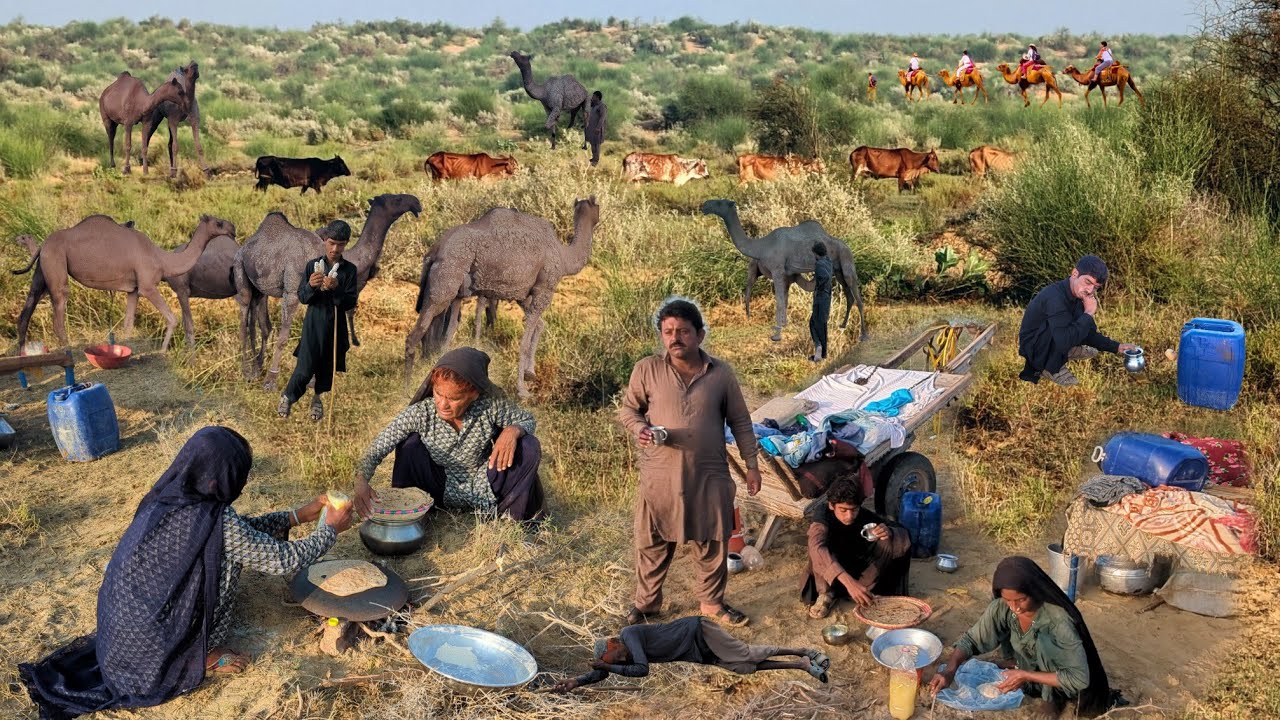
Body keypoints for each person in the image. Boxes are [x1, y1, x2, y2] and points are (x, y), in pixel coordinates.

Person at [18, 426, 353, 718]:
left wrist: (297, 516)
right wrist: (331, 530)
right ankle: (201, 658)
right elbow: (282, 560)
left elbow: (240, 535)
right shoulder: (217, 521)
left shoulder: (166, 498)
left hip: (122, 640)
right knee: (224, 566)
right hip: (155, 655)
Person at [618, 297, 761, 628]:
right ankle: (646, 604)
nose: (674, 338)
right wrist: (640, 428)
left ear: (700, 335)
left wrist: (751, 464)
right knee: (653, 541)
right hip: (660, 474)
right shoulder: (647, 369)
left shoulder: (720, 374)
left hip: (708, 472)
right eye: (668, 331)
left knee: (712, 539)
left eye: (683, 331)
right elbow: (629, 409)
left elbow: (740, 421)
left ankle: (712, 604)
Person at [352, 347, 545, 523]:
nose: (442, 404)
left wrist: (512, 431)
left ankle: (510, 518)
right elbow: (380, 445)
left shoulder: (489, 407)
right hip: (438, 487)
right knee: (409, 444)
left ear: (474, 394)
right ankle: (413, 513)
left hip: (484, 482)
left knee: (528, 445)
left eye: (453, 398)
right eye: (438, 393)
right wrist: (361, 480)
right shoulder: (421, 413)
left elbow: (527, 419)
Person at [928, 557, 1114, 718]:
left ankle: (1052, 699)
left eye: (1021, 599)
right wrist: (950, 671)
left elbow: (1079, 678)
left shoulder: (1057, 622)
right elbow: (971, 640)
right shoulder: (1002, 607)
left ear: (1034, 590)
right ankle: (1017, 664)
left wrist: (1025, 675)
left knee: (1044, 641)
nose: (1014, 607)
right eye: (1008, 599)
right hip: (1025, 666)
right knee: (1004, 624)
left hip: (1059, 677)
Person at [551, 616, 831, 692]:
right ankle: (801, 665)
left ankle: (802, 650)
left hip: (698, 631)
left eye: (618, 657)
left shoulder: (629, 635)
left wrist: (610, 667)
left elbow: (641, 670)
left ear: (613, 643)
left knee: (745, 653)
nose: (623, 661)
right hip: (696, 651)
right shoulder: (618, 656)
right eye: (618, 662)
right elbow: (603, 672)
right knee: (743, 668)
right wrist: (576, 681)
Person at [802, 474, 913, 619]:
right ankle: (826, 594)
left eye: (853, 509)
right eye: (843, 510)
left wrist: (888, 531)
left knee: (890, 538)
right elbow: (816, 547)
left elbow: (903, 533)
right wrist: (849, 583)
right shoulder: (823, 515)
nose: (849, 516)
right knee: (817, 546)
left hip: (858, 571)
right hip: (830, 574)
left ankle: (864, 591)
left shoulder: (863, 515)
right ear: (831, 505)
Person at [278, 220, 358, 421]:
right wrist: (311, 286)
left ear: (346, 243)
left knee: (327, 367)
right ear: (324, 240)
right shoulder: (311, 266)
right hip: (314, 324)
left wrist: (337, 288)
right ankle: (288, 396)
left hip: (335, 326)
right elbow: (303, 298)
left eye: (340, 244)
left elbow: (349, 302)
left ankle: (318, 399)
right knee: (305, 367)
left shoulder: (349, 270)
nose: (335, 248)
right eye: (331, 243)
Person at [1017, 255, 1137, 386]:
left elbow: (1088, 333)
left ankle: (1066, 351)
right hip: (1035, 346)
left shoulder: (1078, 295)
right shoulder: (1055, 297)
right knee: (1068, 332)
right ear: (1075, 273)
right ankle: (1048, 366)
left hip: (1056, 336)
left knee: (1081, 326)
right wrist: (1089, 312)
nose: (1090, 290)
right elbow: (1063, 341)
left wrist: (1117, 347)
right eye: (1088, 282)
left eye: (1096, 287)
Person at [808, 242, 832, 362]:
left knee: (814, 323)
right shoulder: (828, 262)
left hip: (820, 297)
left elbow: (825, 277)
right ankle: (822, 353)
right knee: (821, 324)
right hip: (827, 297)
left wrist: (819, 286)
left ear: (816, 254)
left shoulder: (819, 264)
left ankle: (818, 347)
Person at [585, 90, 607, 167]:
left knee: (596, 145)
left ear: (597, 97)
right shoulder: (594, 106)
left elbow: (602, 118)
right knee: (592, 144)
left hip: (597, 129)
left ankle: (596, 160)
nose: (592, 97)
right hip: (591, 128)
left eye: (594, 96)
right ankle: (593, 158)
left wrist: (598, 128)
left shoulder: (602, 106)